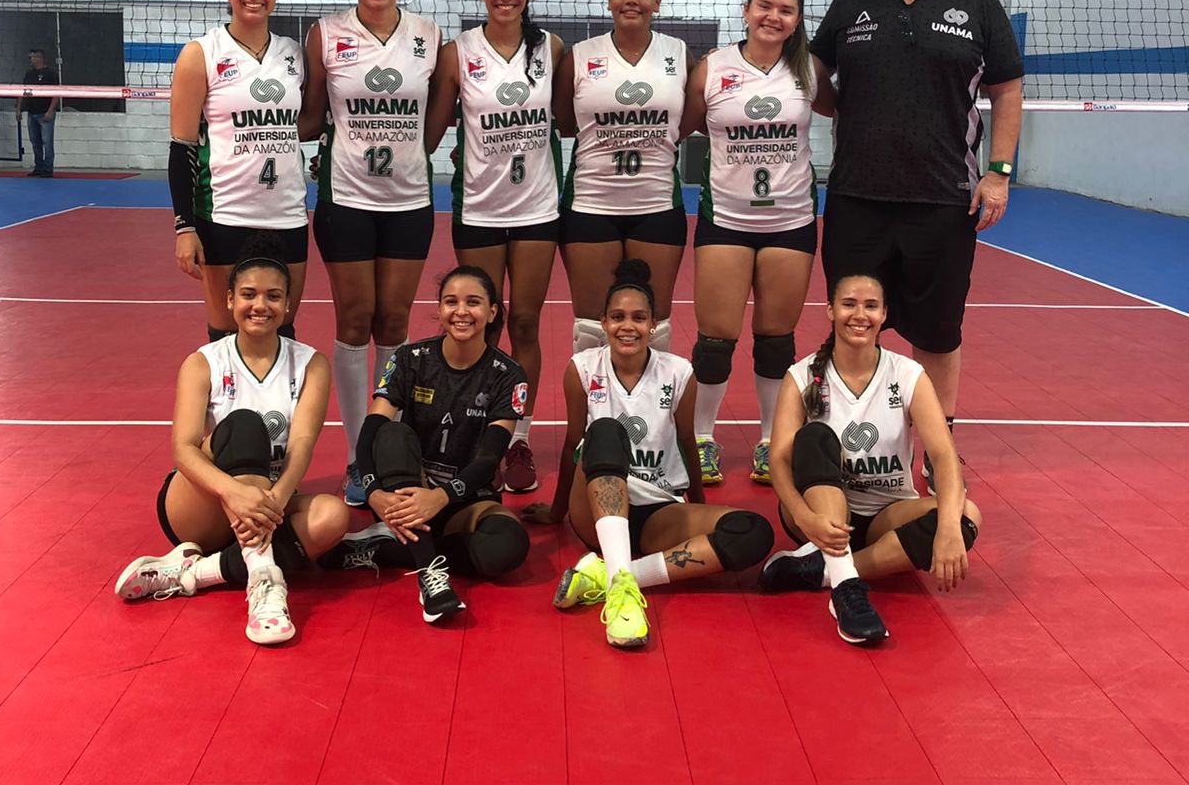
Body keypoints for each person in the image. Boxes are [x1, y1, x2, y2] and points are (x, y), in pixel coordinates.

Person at [810, 0, 1023, 481]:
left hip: (943, 198)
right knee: (853, 322)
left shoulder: (976, 1)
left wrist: (998, 173)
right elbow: (816, 75)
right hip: (857, 195)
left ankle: (936, 448)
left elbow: (1007, 89)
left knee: (938, 331)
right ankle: (848, 437)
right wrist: (841, 104)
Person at [532, 259, 773, 650]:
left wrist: (698, 505)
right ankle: (623, 593)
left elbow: (686, 442)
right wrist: (557, 512)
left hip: (657, 508)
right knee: (604, 431)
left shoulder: (678, 372)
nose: (627, 326)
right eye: (617, 317)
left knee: (752, 532)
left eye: (638, 318)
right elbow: (572, 441)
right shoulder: (582, 367)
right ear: (603, 322)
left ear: (654, 325)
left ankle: (612, 576)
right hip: (595, 503)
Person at [114, 247, 349, 646]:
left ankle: (194, 574)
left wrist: (275, 498)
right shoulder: (203, 362)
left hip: (265, 503)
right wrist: (233, 493)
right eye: (248, 294)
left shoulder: (311, 363)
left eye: (273, 296)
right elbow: (183, 449)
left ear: (288, 304)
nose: (260, 305)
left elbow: (303, 444)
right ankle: (265, 584)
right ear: (229, 300)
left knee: (333, 516)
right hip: (202, 505)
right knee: (244, 424)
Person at [297, 0, 441, 507]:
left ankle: (391, 448)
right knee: (355, 321)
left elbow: (434, 123)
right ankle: (360, 454)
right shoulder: (325, 34)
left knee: (394, 324)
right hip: (347, 200)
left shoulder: (429, 35)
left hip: (408, 201)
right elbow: (308, 118)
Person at [759, 271, 981, 646]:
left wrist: (947, 529)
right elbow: (778, 461)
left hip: (886, 513)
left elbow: (944, 456)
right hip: (818, 514)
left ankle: (827, 571)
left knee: (967, 516)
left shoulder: (907, 374)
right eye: (849, 304)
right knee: (814, 437)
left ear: (884, 314)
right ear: (830, 310)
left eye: (871, 306)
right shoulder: (801, 376)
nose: (860, 315)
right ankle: (846, 593)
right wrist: (803, 516)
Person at [680, 0, 832, 489]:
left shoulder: (808, 69)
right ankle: (701, 438)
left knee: (775, 341)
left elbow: (849, 111)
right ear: (745, 11)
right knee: (715, 341)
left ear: (797, 20)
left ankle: (772, 440)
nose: (773, 17)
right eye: (764, 6)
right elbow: (683, 125)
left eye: (786, 10)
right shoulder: (712, 67)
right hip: (726, 219)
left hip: (790, 221)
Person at [425, 0, 564, 494]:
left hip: (538, 208)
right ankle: (479, 433)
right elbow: (431, 130)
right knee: (485, 323)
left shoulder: (551, 49)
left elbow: (572, 117)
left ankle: (518, 438)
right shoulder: (457, 53)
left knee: (525, 322)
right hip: (479, 208)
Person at [320, 264, 531, 624]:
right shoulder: (411, 359)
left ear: (493, 311)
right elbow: (371, 431)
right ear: (439, 308)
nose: (461, 311)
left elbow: (489, 458)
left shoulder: (508, 375)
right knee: (393, 433)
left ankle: (385, 548)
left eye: (473, 302)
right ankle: (431, 576)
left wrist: (442, 496)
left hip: (464, 498)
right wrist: (372, 491)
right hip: (405, 489)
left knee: (508, 547)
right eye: (451, 301)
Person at [170, 0, 309, 339]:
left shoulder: (294, 54)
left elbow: (305, 125)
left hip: (287, 214)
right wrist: (184, 227)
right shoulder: (201, 54)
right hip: (224, 215)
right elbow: (182, 148)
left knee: (282, 329)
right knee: (226, 336)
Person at [554, 0, 691, 356]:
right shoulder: (581, 55)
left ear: (657, 2)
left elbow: (687, 121)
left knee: (655, 324)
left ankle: (652, 399)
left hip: (656, 205)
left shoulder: (678, 53)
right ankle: (594, 400)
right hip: (591, 204)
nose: (632, 0)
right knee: (591, 326)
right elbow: (566, 123)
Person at [17, 46, 58, 177]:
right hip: (32, 113)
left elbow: (57, 93)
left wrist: (50, 111)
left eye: (32, 57)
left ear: (39, 57)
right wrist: (18, 109)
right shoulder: (29, 74)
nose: (30, 59)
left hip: (45, 112)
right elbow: (22, 91)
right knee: (35, 142)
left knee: (47, 142)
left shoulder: (51, 73)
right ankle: (39, 167)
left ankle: (48, 169)